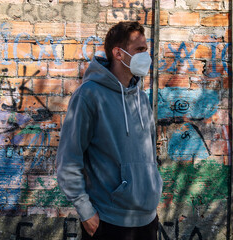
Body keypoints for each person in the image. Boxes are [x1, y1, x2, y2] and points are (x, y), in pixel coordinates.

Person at [56, 21, 163, 240]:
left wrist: (151, 193)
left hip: (147, 220)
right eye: (140, 50)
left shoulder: (142, 98)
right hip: (108, 221)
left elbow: (149, 154)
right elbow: (69, 159)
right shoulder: (89, 96)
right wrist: (85, 211)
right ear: (118, 53)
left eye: (146, 49)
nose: (146, 56)